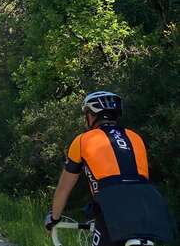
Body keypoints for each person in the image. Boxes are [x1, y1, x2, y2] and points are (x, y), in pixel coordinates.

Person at [45, 91, 174, 245]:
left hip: (111, 203)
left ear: (91, 115)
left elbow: (63, 188)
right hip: (149, 203)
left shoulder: (82, 140)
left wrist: (54, 218)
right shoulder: (136, 137)